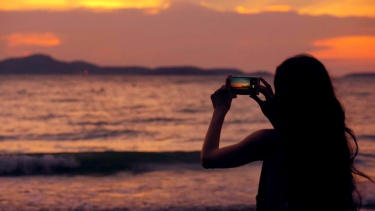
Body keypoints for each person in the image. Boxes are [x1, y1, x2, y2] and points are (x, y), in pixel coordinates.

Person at [201, 54, 374, 211]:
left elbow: (209, 158)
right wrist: (277, 119)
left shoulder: (269, 141)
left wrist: (220, 110)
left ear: (285, 95)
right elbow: (296, 144)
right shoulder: (331, 139)